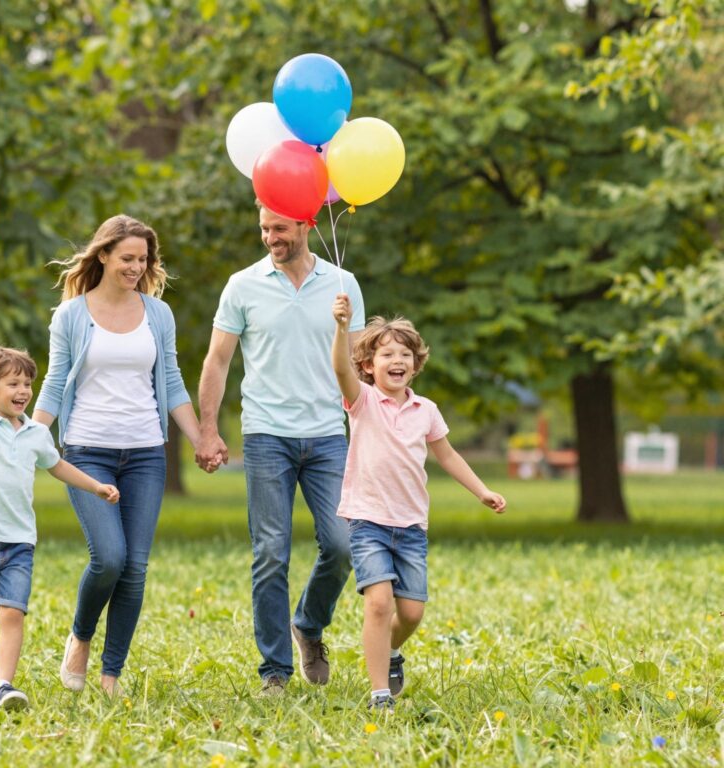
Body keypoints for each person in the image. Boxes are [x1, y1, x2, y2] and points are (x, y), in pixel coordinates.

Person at [33, 214, 206, 696]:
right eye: (127, 258)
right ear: (103, 254)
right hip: (88, 450)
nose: (136, 267)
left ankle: (111, 676)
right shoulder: (70, 315)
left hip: (146, 452)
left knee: (135, 568)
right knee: (108, 558)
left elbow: (171, 382)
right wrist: (28, 436)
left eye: (143, 260)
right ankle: (81, 636)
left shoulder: (158, 314)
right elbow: (53, 380)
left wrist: (199, 437)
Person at [196, 203, 365, 695]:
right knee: (270, 552)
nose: (271, 236)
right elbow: (218, 360)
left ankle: (308, 625)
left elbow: (359, 365)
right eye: (265, 228)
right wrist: (209, 428)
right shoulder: (242, 285)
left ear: (307, 225)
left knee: (341, 543)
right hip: (267, 434)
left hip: (329, 434)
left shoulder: (343, 283)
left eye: (280, 228)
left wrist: (372, 428)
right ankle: (275, 670)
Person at [330, 298, 507, 710]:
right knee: (378, 603)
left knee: (410, 613)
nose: (397, 360)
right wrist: (341, 328)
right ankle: (378, 696)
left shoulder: (425, 410)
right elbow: (340, 369)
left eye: (404, 355)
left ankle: (392, 654)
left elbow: (447, 455)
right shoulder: (363, 401)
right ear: (369, 366)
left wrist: (482, 490)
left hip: (410, 525)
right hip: (368, 519)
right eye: (386, 354)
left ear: (415, 364)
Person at [0, 336, 119, 710]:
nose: (23, 391)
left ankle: (3, 686)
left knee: (13, 612)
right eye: (13, 384)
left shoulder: (35, 433)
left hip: (19, 542)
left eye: (27, 384)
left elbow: (57, 465)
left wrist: (96, 486)